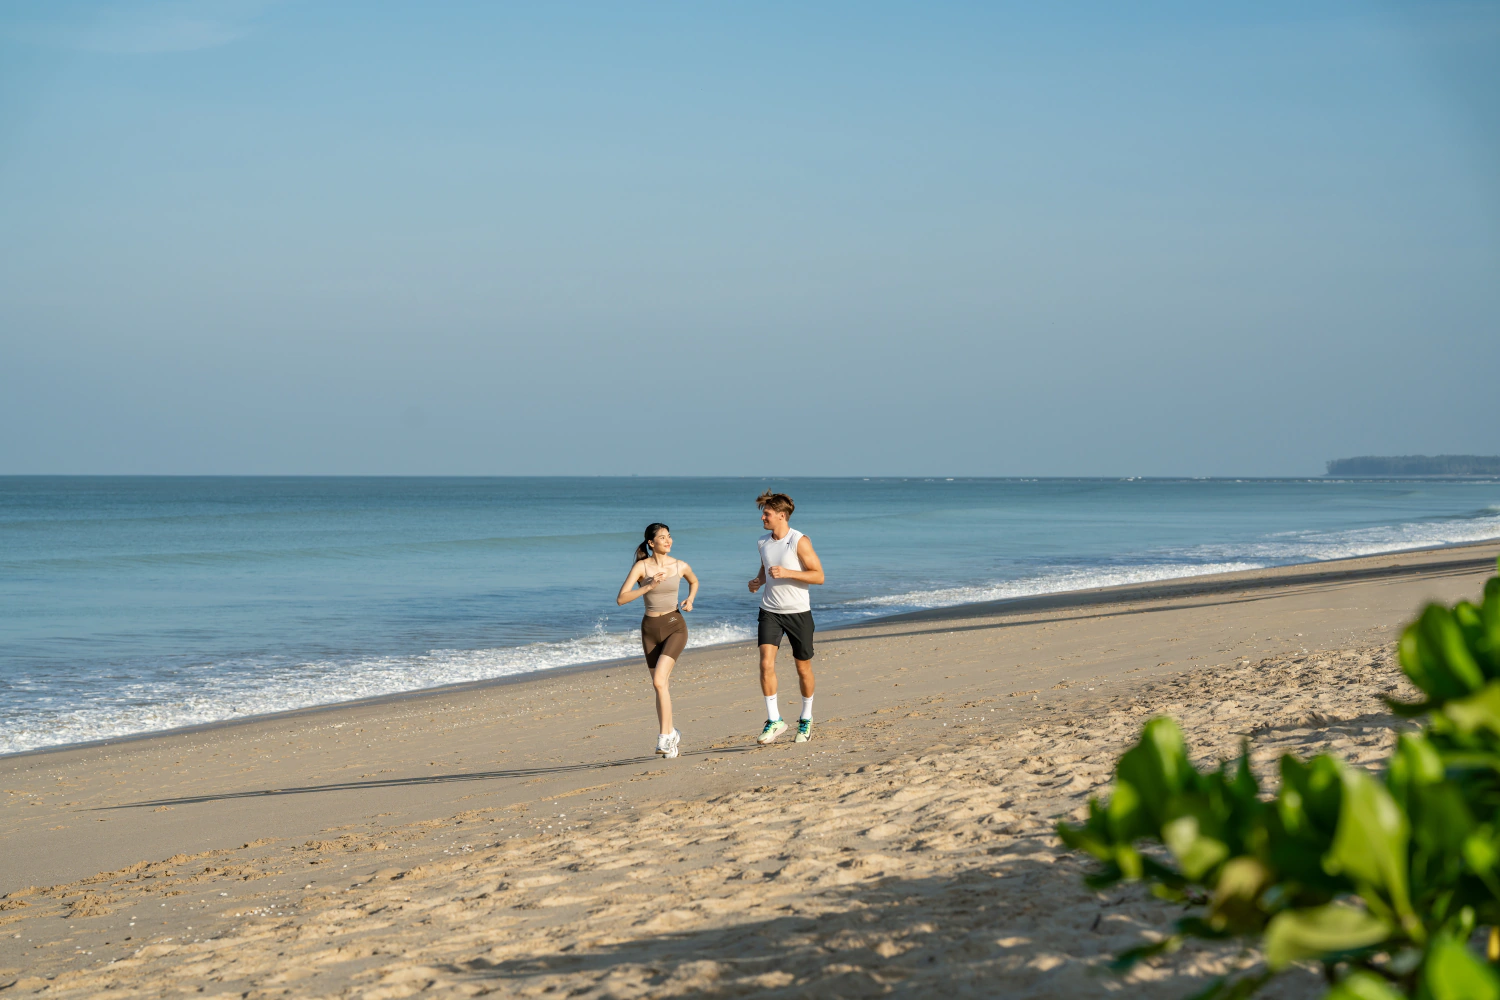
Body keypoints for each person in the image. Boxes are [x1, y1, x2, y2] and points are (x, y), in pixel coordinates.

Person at [747, 491, 825, 744]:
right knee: (765, 663)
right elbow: (766, 566)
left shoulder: (799, 541)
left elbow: (818, 576)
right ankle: (774, 720)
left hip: (798, 613)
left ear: (781, 516)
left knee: (803, 668)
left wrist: (788, 573)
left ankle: (806, 718)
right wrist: (759, 580)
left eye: (766, 513)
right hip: (770, 611)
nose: (762, 517)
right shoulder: (762, 542)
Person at [616, 523, 698, 758]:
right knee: (660, 685)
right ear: (651, 543)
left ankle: (664, 737)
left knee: (659, 682)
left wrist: (690, 599)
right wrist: (649, 586)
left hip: (675, 626)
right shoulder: (641, 567)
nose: (668, 540)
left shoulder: (679, 565)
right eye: (662, 537)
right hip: (649, 630)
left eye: (669, 536)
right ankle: (672, 734)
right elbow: (621, 598)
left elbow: (694, 581)